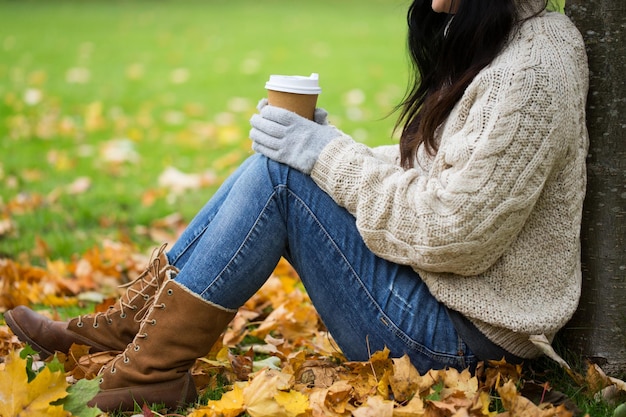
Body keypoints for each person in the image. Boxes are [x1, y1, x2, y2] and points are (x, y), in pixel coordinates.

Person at [5, 0, 589, 411]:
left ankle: (150, 368)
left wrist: (324, 156)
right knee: (281, 164)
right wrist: (330, 150)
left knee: (283, 177)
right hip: (444, 302)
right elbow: (445, 175)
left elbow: (454, 233)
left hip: (460, 341)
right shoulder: (512, 38)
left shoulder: (532, 70)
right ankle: (130, 330)